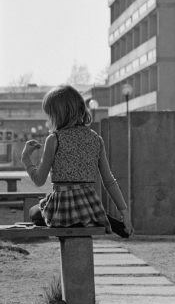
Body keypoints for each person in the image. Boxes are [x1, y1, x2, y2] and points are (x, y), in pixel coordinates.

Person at [22, 85, 133, 235]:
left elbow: (39, 180)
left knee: (33, 212)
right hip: (89, 204)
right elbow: (109, 181)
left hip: (62, 208)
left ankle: (85, 218)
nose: (48, 120)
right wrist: (125, 213)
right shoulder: (96, 139)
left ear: (58, 114)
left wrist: (26, 158)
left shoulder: (54, 139)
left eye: (50, 115)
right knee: (85, 212)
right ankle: (96, 217)